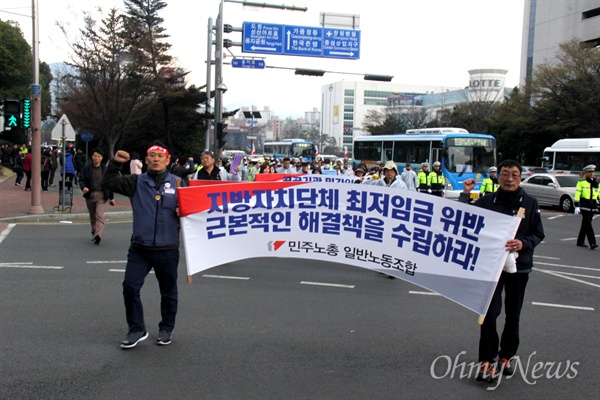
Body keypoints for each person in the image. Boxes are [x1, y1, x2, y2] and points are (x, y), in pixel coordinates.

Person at [459, 160, 545, 383]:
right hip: (490, 268)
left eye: (514, 175)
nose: (509, 179)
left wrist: (523, 243)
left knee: (513, 314)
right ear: (498, 177)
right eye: (505, 174)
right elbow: (464, 217)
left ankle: (506, 356)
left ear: (520, 178)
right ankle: (486, 361)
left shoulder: (530, 202)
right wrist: (466, 194)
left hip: (520, 267)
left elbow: (538, 234)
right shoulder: (487, 201)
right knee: (489, 313)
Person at [102, 142, 183, 349]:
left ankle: (166, 328)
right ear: (146, 160)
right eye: (152, 156)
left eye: (160, 156)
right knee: (130, 286)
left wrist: (183, 213)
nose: (156, 159)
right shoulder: (135, 182)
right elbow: (109, 183)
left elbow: (194, 212)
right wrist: (115, 164)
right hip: (140, 248)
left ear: (168, 159)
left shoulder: (179, 183)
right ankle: (136, 329)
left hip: (168, 248)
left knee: (168, 291)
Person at [80, 148, 114, 244]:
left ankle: (98, 235)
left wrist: (111, 198)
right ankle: (94, 230)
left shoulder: (105, 170)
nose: (96, 158)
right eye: (95, 156)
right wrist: (84, 188)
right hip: (90, 195)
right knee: (93, 216)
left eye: (99, 156)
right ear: (92, 157)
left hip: (102, 195)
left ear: (102, 158)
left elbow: (109, 183)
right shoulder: (87, 169)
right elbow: (81, 179)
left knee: (99, 215)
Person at [574, 164, 598, 249]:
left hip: (592, 206)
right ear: (586, 173)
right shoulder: (581, 183)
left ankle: (580, 241)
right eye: (590, 172)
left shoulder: (596, 183)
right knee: (588, 225)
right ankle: (592, 243)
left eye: (593, 172)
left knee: (585, 224)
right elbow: (577, 194)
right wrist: (577, 206)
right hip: (584, 206)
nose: (592, 174)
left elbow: (598, 194)